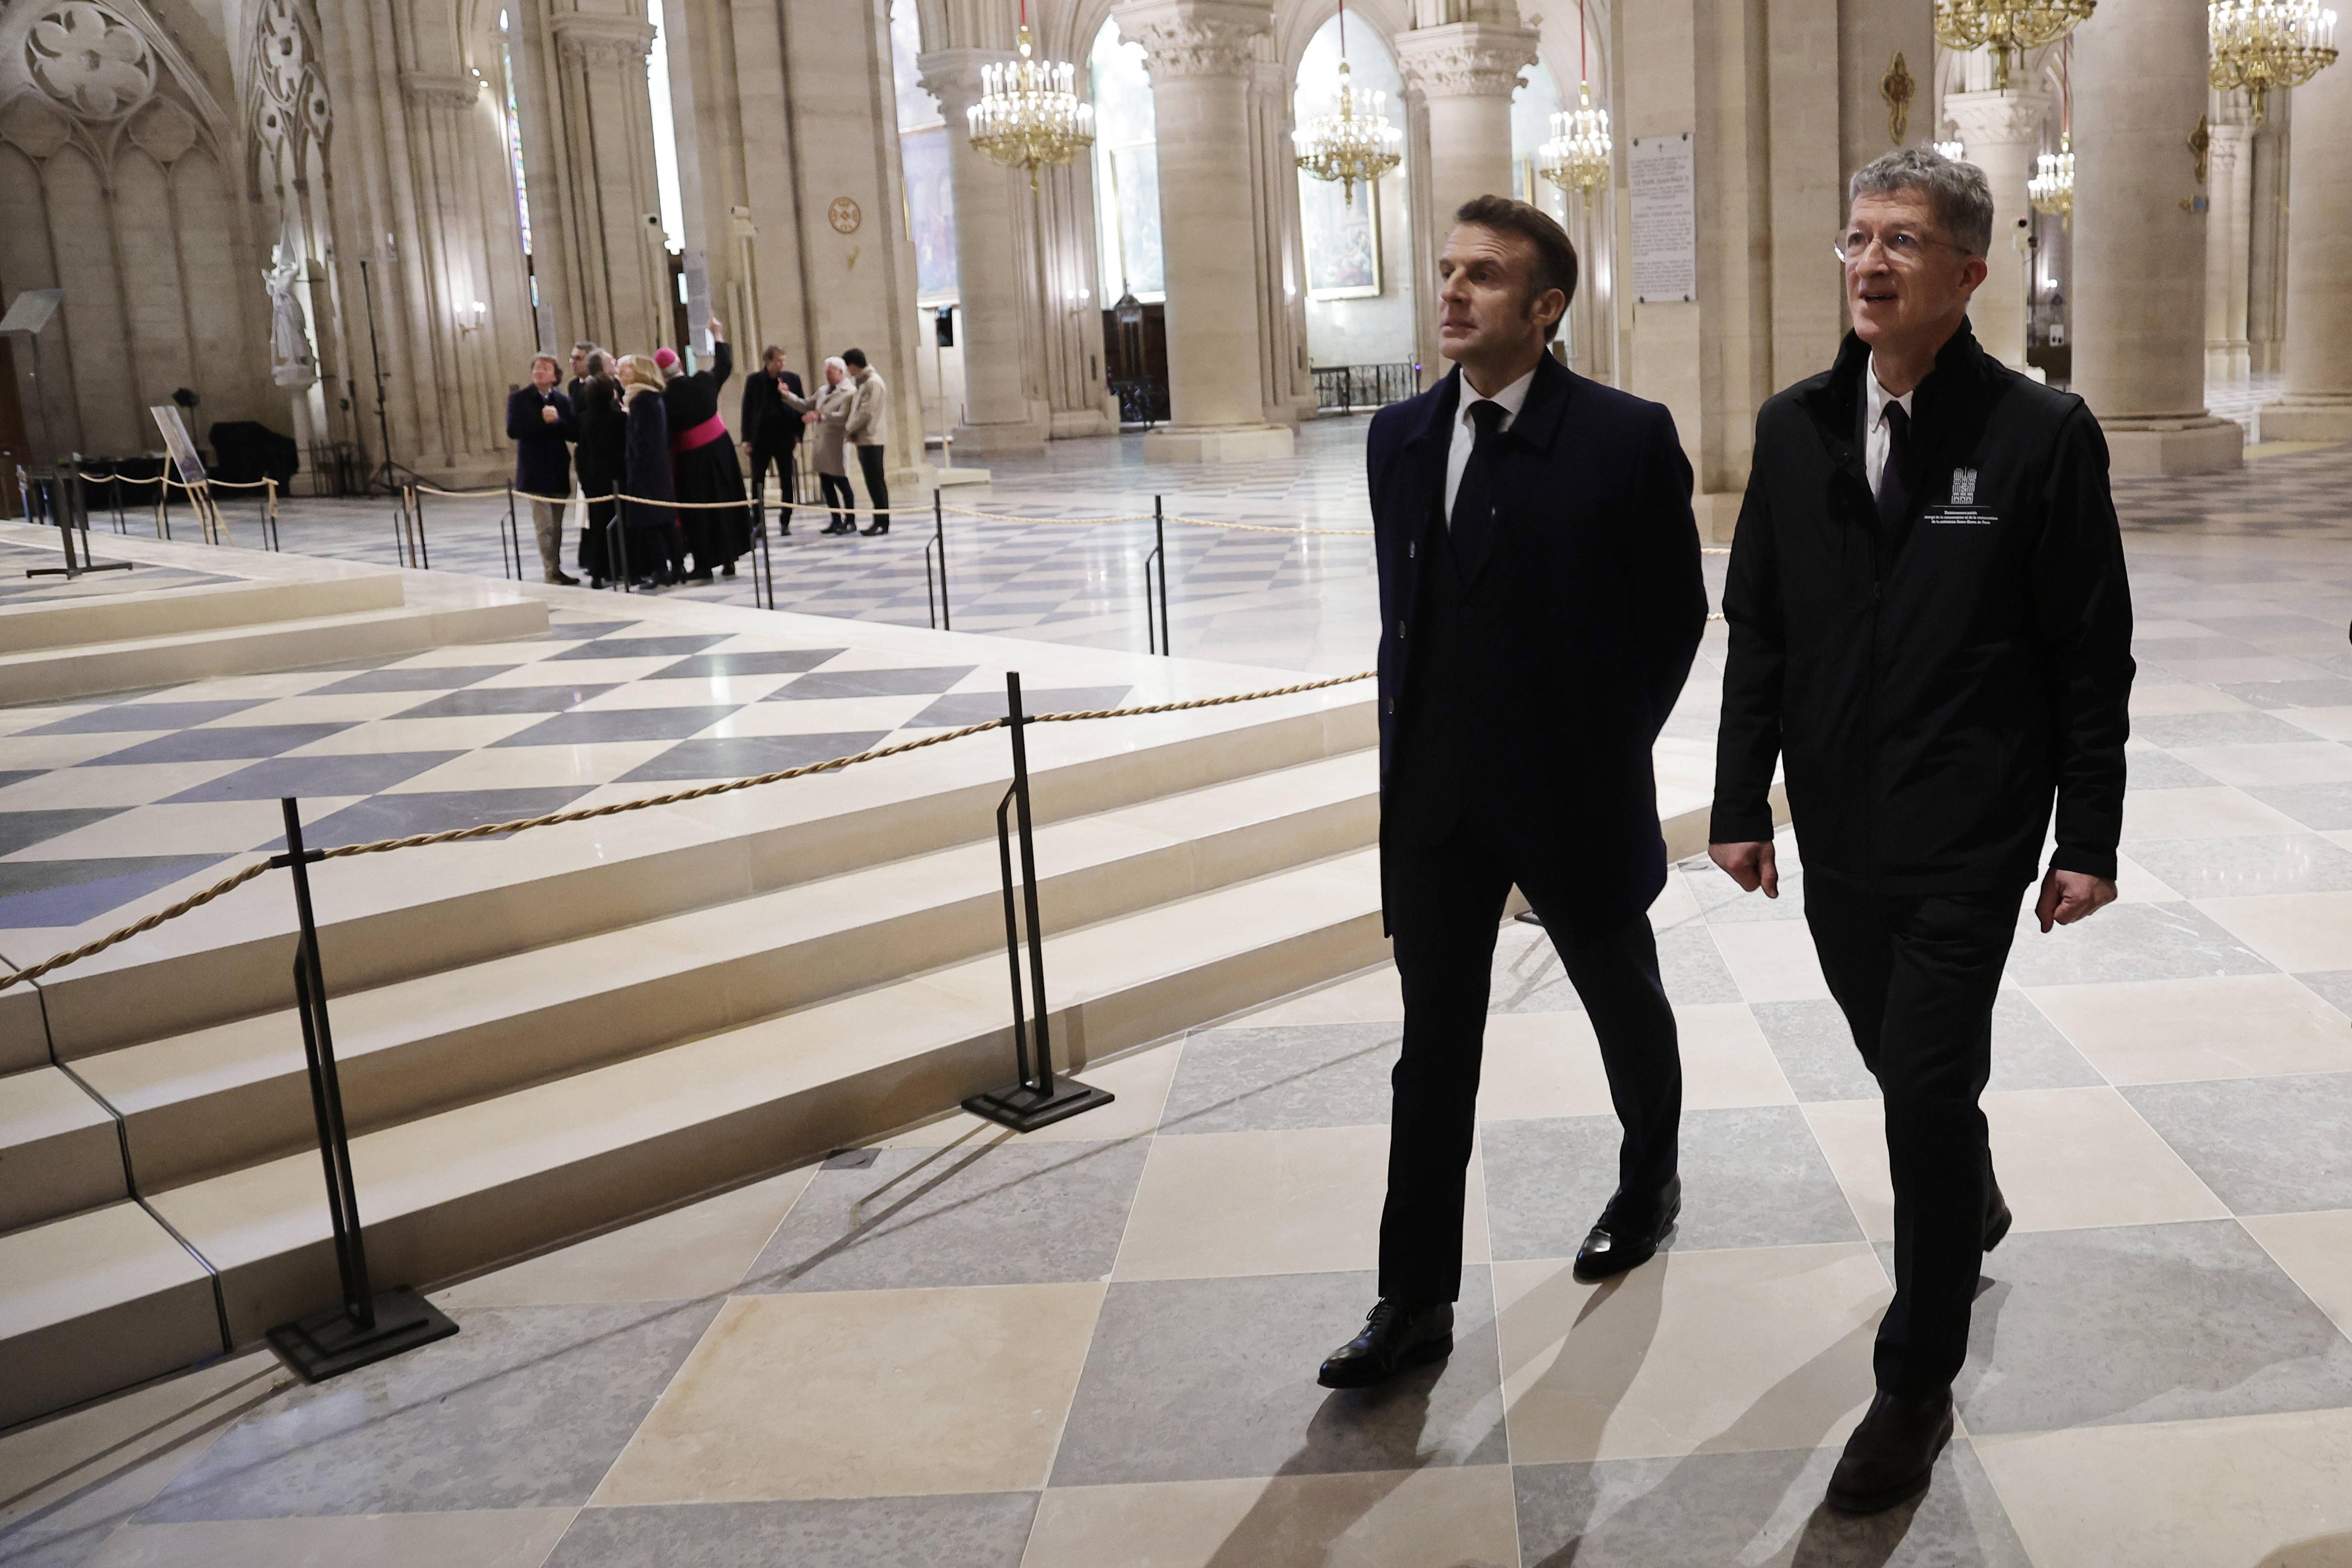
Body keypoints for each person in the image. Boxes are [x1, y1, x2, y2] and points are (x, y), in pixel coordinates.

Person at [1709, 147, 2133, 1516]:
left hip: (1971, 829)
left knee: (1924, 1091)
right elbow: (1759, 628)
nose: (1870, 264)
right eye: (1855, 239)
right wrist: (1736, 803)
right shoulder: (1793, 428)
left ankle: (1913, 1386)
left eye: (1901, 242)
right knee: (1904, 1066)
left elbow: (2088, 651)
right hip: (1838, 828)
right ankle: (1974, 1186)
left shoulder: (2038, 434)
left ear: (1969, 272)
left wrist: (2090, 834)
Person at [1320, 195, 1706, 1390]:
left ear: (1545, 308)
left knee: (1620, 998)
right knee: (1432, 1051)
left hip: (1571, 791)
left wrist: (1604, 747)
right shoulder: (1396, 438)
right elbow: (1412, 621)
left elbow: (1676, 617)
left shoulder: (1625, 437)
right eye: (1446, 270)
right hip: (1435, 801)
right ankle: (1415, 1298)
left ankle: (1650, 1178)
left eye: (1483, 276)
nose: (1451, 292)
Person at [657, 320, 751, 582]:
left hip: (690, 460)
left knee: (698, 511)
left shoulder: (663, 398)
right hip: (721, 452)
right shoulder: (702, 382)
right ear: (680, 364)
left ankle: (704, 564)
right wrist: (717, 334)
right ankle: (730, 558)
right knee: (725, 502)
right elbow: (725, 366)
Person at [505, 353, 578, 585]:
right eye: (536, 367)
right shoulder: (519, 399)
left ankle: (556, 569)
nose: (539, 371)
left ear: (555, 376)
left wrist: (557, 422)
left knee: (557, 526)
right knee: (544, 525)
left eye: (545, 368)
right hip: (534, 470)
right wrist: (541, 421)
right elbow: (513, 430)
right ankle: (550, 572)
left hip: (557, 469)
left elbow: (574, 433)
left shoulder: (563, 401)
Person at [616, 353, 682, 585]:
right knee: (662, 521)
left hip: (647, 471)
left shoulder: (643, 400)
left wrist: (636, 468)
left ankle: (662, 570)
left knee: (653, 522)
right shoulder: (647, 398)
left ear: (639, 372)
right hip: (655, 470)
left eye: (624, 370)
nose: (619, 375)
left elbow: (644, 441)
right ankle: (677, 567)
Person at [572, 353, 631, 588]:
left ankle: (598, 572)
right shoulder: (619, 419)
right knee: (619, 525)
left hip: (594, 481)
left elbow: (581, 454)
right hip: (616, 480)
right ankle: (619, 569)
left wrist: (585, 480)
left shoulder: (584, 420)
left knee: (597, 527)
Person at [741, 345, 809, 536]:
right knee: (757, 481)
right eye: (779, 361)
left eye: (784, 361)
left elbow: (801, 406)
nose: (782, 364)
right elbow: (747, 409)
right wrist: (746, 439)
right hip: (761, 438)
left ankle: (785, 521)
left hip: (784, 437)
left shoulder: (792, 379)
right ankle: (758, 523)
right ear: (768, 362)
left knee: (787, 480)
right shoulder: (754, 381)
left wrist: (798, 433)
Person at [840, 346, 891, 536]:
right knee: (872, 481)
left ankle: (882, 522)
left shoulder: (873, 382)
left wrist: (849, 428)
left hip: (872, 439)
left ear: (853, 365)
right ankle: (877, 520)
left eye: (849, 367)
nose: (848, 371)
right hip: (864, 439)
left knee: (876, 481)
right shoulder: (863, 383)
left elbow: (866, 412)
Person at [807, 357, 857, 534]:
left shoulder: (849, 392)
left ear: (841, 372)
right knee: (826, 483)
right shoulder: (823, 391)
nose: (827, 376)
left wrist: (821, 416)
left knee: (842, 483)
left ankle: (850, 520)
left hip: (836, 443)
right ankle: (835, 520)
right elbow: (807, 405)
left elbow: (843, 416)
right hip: (822, 445)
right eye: (826, 372)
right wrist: (787, 396)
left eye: (831, 372)